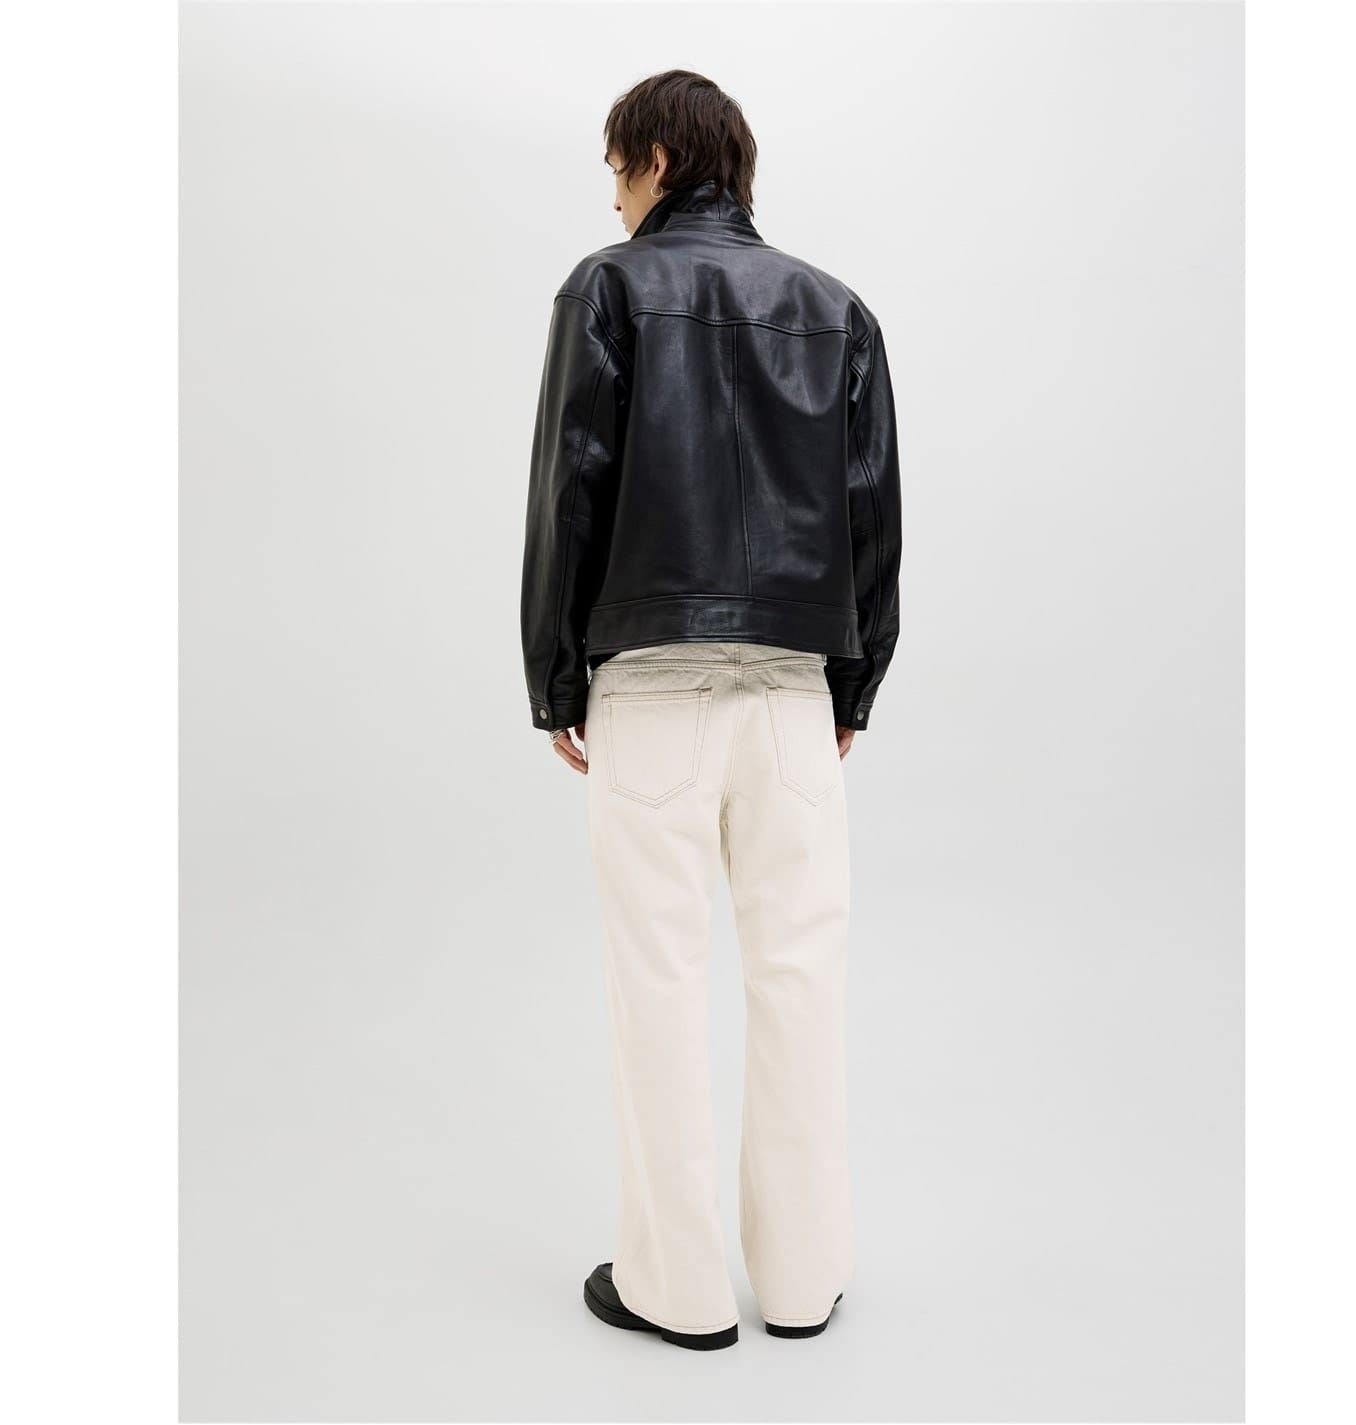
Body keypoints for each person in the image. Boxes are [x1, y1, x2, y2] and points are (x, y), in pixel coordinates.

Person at [519, 69, 902, 1351]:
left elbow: (569, 490)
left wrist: (554, 677)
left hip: (653, 692)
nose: (612, 198)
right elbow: (873, 513)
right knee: (802, 980)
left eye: (616, 169)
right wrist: (853, 683)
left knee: (659, 981)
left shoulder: (608, 289)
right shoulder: (835, 310)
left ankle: (676, 1292)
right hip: (793, 695)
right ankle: (802, 1281)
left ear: (658, 159)